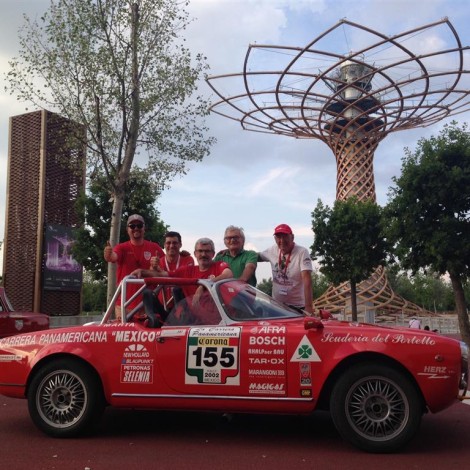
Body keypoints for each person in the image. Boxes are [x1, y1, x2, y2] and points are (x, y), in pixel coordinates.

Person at [133, 238, 233, 324]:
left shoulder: (219, 265)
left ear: (213, 254)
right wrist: (142, 271)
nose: (203, 254)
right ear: (195, 253)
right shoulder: (187, 270)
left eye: (207, 251)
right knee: (148, 293)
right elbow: (163, 275)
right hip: (192, 321)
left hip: (218, 322)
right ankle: (154, 321)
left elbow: (228, 274)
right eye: (200, 251)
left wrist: (203, 286)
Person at [103, 214, 164, 320]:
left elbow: (167, 265)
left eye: (139, 225)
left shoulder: (154, 247)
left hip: (147, 305)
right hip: (125, 305)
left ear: (144, 228)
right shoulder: (122, 247)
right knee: (124, 335)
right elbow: (113, 257)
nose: (136, 228)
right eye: (132, 226)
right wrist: (108, 254)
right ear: (127, 229)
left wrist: (181, 255)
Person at [259, 224, 314, 315]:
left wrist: (308, 307)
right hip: (277, 307)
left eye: (285, 237)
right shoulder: (272, 250)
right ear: (275, 239)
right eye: (278, 237)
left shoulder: (302, 252)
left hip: (297, 307)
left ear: (292, 237)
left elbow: (307, 279)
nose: (282, 240)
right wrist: (232, 251)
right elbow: (255, 257)